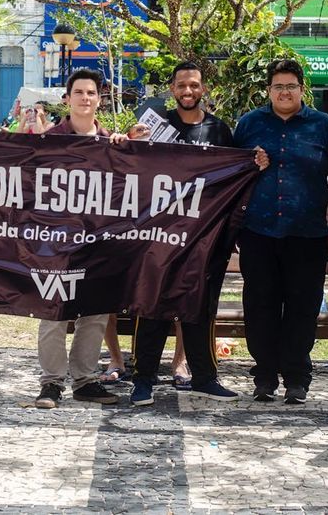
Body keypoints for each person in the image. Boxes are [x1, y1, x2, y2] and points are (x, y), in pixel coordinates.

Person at [125, 61, 265, 406]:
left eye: (194, 86)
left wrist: (256, 162)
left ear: (203, 89)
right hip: (159, 238)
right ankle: (142, 381)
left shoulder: (219, 131)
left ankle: (204, 378)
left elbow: (236, 177)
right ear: (172, 89)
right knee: (152, 308)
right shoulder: (155, 127)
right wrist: (128, 142)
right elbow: (133, 170)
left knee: (200, 309)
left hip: (204, 239)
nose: (188, 91)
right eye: (181, 86)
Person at [233, 59, 328, 405]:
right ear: (269, 90)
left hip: (307, 233)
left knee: (302, 308)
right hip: (258, 231)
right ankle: (264, 375)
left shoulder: (322, 126)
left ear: (301, 90)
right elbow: (233, 175)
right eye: (278, 86)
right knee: (260, 306)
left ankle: (297, 378)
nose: (285, 92)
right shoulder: (250, 124)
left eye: (291, 86)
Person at [34, 68, 124, 408]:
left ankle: (85, 380)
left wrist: (128, 149)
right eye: (79, 92)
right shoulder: (49, 142)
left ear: (99, 100)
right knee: (53, 311)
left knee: (96, 312)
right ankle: (52, 382)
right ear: (67, 99)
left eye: (91, 93)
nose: (85, 98)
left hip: (99, 242)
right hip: (55, 241)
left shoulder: (113, 144)